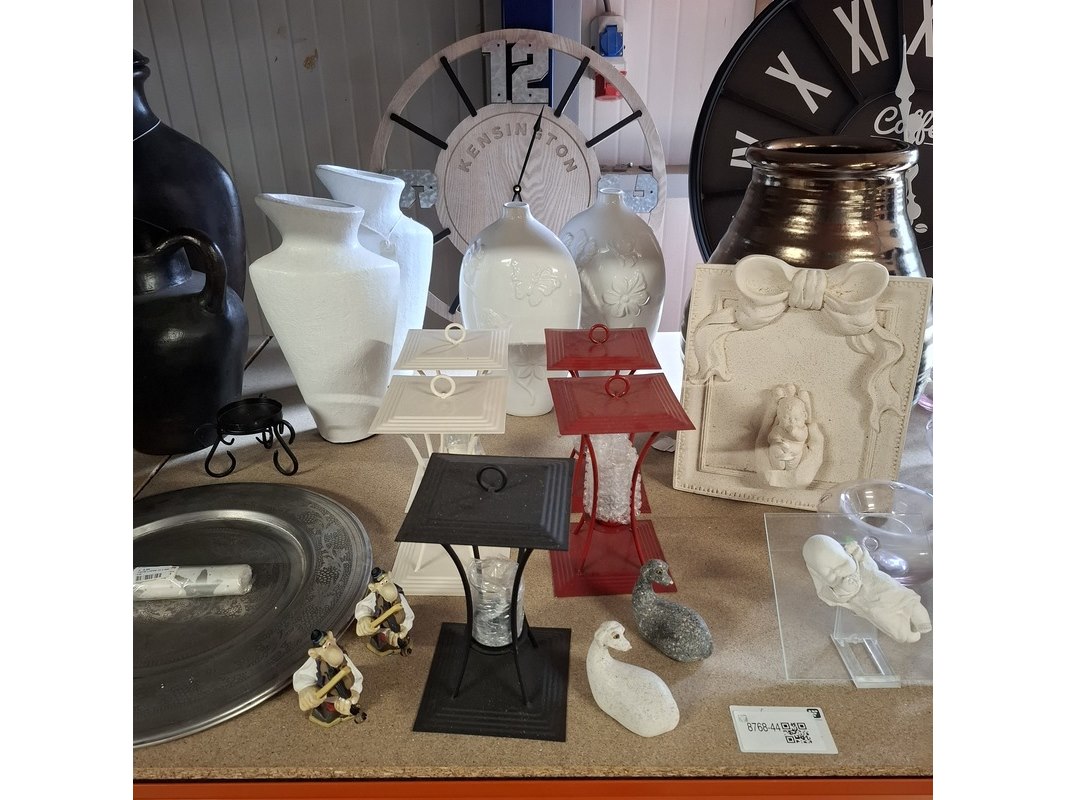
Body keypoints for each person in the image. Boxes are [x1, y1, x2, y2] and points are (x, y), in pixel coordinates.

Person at [802, 534, 931, 644]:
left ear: (848, 555)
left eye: (843, 564)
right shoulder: (835, 590)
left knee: (909, 601)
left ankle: (921, 620)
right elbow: (832, 598)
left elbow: (870, 564)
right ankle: (906, 634)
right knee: (896, 629)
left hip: (885, 588)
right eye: (831, 574)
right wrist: (844, 591)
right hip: (874, 608)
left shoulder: (860, 563)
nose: (839, 572)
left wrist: (859, 553)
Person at [291, 629, 367, 727]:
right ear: (314, 653)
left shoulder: (344, 660)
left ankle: (343, 709)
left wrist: (354, 692)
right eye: (325, 647)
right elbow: (302, 676)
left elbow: (356, 677)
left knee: (347, 704)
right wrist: (306, 690)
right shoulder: (315, 662)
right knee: (325, 706)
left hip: (343, 696)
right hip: (324, 696)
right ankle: (328, 709)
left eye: (329, 644)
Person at [354, 567, 414, 656]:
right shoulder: (375, 596)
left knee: (400, 639)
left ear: (390, 577)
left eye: (386, 581)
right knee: (382, 640)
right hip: (382, 627)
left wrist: (405, 626)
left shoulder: (399, 597)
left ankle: (402, 645)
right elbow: (363, 605)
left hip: (399, 626)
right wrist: (363, 617)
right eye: (382, 584)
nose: (386, 586)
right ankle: (384, 648)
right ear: (373, 588)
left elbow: (409, 614)